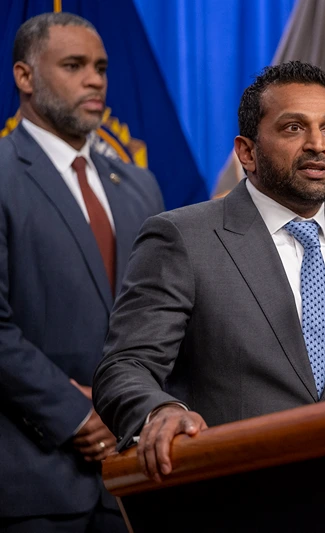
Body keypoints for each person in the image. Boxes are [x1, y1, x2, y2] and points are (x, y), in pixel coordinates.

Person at [92, 61, 325, 483]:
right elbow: (125, 366)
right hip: (231, 494)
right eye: (294, 128)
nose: (318, 145)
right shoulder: (184, 238)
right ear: (247, 152)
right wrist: (161, 412)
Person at [0, 12, 164, 533]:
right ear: (24, 77)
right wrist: (74, 413)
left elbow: (161, 316)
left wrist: (143, 405)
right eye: (74, 65)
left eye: (101, 67)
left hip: (136, 475)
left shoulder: (140, 185)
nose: (96, 80)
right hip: (33, 479)